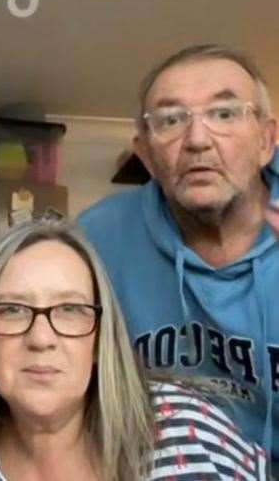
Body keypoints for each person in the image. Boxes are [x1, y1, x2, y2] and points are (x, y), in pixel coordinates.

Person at [0, 218, 268, 480]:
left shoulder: (186, 430)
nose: (40, 339)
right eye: (12, 309)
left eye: (70, 309)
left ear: (99, 340)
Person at [77, 44, 279, 468]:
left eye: (224, 114)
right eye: (171, 120)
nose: (198, 140)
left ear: (266, 139)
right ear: (146, 155)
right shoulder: (96, 239)